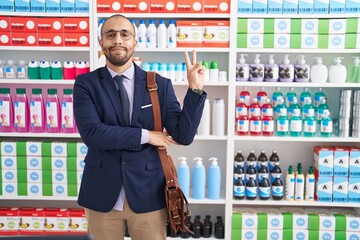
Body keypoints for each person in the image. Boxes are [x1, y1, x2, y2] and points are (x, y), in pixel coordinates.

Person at [73, 14, 207, 240]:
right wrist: (147, 136)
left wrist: (194, 90)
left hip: (148, 194)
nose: (118, 40)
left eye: (125, 34)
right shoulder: (86, 84)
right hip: (102, 193)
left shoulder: (158, 84)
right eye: (110, 34)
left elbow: (183, 136)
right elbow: (93, 134)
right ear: (101, 43)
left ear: (135, 42)